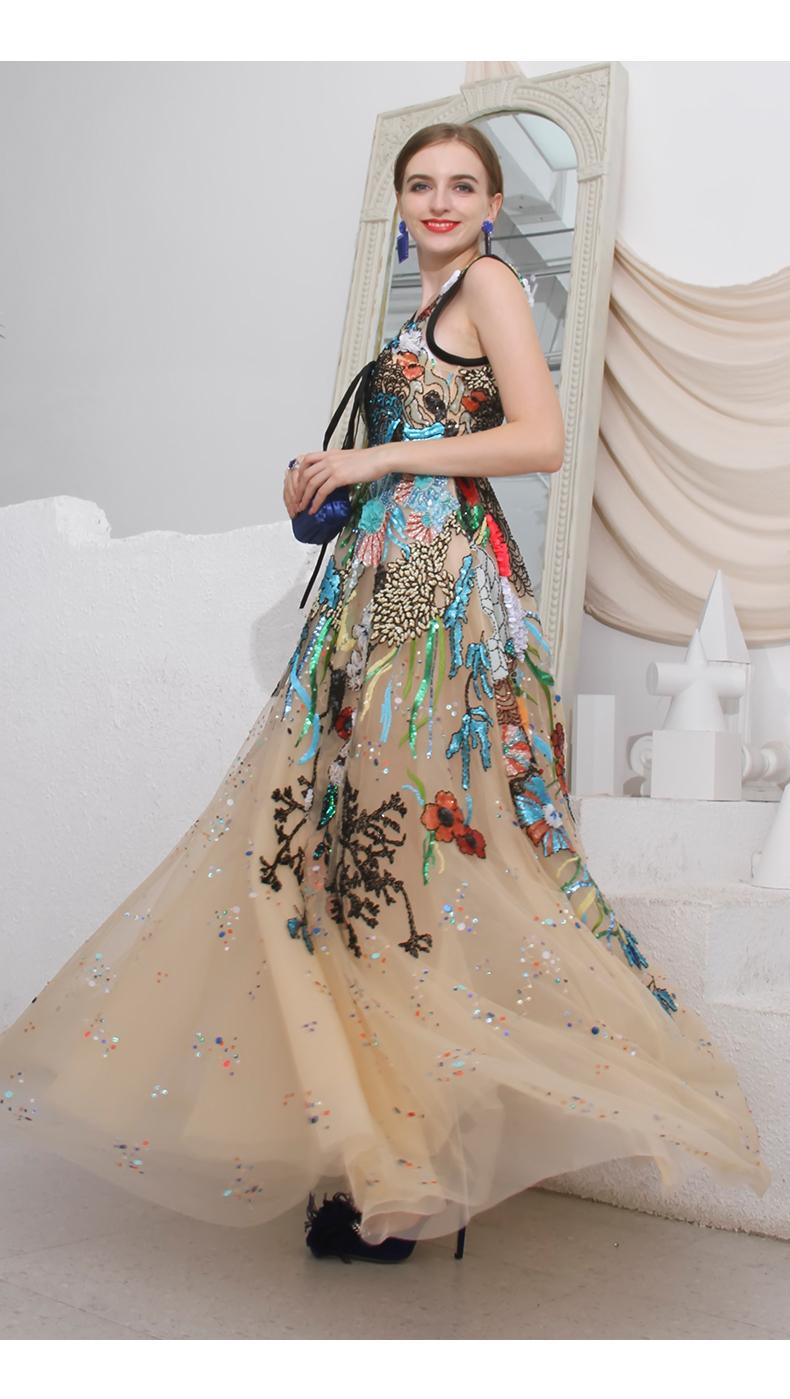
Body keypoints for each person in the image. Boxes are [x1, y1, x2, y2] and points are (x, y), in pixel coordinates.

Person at [0, 123, 770, 1269]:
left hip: (434, 577)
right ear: (399, 200)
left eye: (463, 184)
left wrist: (376, 459)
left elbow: (542, 439)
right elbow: (430, 444)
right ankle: (389, 1154)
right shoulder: (428, 306)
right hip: (389, 572)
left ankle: (410, 1170)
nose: (440, 200)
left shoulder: (490, 283)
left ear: (495, 205)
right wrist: (331, 483)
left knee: (392, 844)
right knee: (347, 851)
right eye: (421, 183)